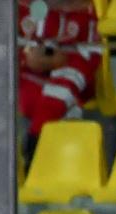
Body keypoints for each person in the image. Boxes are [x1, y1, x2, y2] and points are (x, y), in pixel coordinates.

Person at [17, 0, 101, 160]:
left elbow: (85, 65)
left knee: (65, 94)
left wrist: (56, 60)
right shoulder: (15, 9)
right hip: (21, 94)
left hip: (59, 104)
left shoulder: (85, 16)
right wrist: (25, 59)